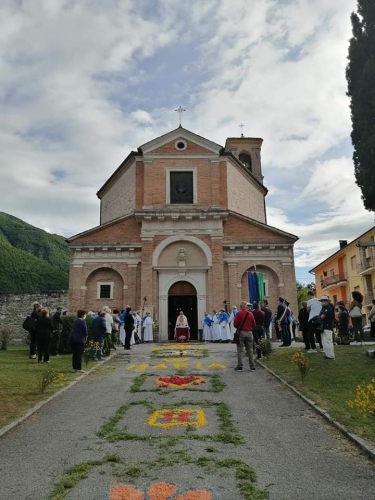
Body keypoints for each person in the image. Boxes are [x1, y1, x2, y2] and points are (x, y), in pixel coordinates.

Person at [233, 300, 256, 371]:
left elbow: (235, 324)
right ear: (246, 307)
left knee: (240, 350)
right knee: (250, 350)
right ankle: (252, 366)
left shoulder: (239, 314)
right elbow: (254, 324)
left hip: (241, 332)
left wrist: (239, 327)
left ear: (240, 307)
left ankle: (240, 366)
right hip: (249, 333)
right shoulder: (250, 314)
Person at [319, 295, 335, 360]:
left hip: (328, 327)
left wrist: (320, 317)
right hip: (324, 327)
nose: (321, 302)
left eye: (323, 301)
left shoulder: (328, 308)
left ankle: (331, 355)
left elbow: (322, 316)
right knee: (324, 342)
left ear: (326, 301)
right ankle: (327, 354)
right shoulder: (323, 307)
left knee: (328, 341)